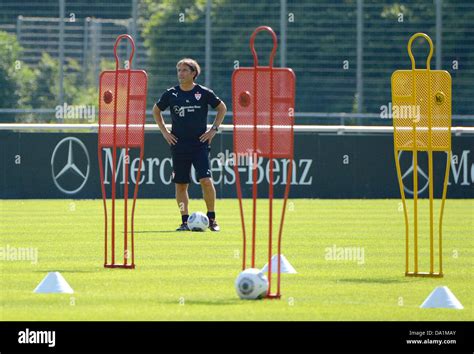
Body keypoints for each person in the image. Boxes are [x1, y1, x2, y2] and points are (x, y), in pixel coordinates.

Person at [153, 58, 227, 232]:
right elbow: (156, 110)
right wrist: (165, 132)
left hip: (199, 144)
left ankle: (212, 219)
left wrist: (213, 130)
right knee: (181, 184)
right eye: (179, 70)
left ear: (194, 73)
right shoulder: (170, 94)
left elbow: (222, 108)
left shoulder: (203, 92)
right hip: (178, 145)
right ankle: (184, 221)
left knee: (206, 181)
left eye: (185, 70)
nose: (181, 73)